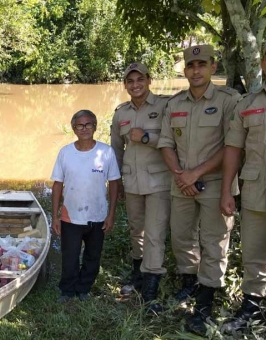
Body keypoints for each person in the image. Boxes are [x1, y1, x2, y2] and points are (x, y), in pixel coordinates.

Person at [157, 45, 240, 335]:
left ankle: (206, 301)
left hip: (216, 184)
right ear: (185, 70)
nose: (196, 70)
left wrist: (196, 173)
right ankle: (188, 283)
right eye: (191, 66)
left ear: (212, 67)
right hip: (182, 184)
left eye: (201, 65)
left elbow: (233, 146)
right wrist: (181, 175)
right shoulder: (175, 103)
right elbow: (166, 143)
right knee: (181, 237)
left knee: (214, 241)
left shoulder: (229, 100)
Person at [220, 33, 266, 340]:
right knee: (253, 260)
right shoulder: (247, 103)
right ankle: (252, 309)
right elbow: (233, 149)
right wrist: (227, 190)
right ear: (262, 62)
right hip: (252, 197)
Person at [111, 62, 171, 311]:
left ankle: (150, 289)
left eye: (140, 80)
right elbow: (116, 149)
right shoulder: (120, 112)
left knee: (155, 234)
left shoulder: (165, 106)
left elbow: (173, 141)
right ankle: (138, 275)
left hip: (159, 181)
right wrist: (116, 183)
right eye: (130, 81)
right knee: (136, 230)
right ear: (125, 85)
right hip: (132, 181)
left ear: (149, 80)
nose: (135, 85)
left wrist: (146, 137)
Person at [51, 110, 120, 303]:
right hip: (70, 216)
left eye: (88, 124)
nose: (84, 129)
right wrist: (55, 216)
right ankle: (67, 290)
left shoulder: (106, 152)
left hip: (97, 215)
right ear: (73, 128)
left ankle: (84, 289)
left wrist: (111, 214)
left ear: (95, 127)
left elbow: (114, 183)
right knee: (70, 256)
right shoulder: (65, 152)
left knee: (93, 256)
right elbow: (57, 184)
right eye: (80, 125)